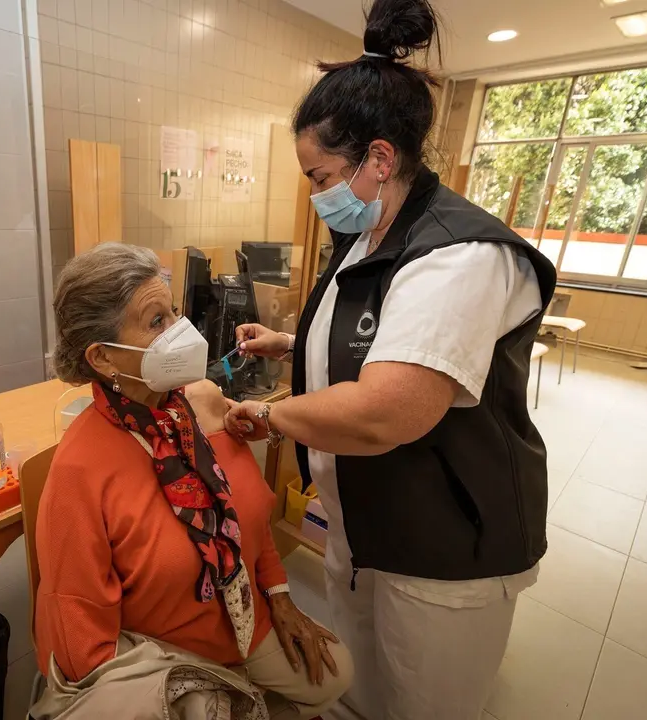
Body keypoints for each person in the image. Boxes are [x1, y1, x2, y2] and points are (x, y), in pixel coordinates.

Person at [224, 1, 558, 718]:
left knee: (425, 700)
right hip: (365, 522)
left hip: (442, 542)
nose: (316, 196)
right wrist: (290, 344)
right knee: (365, 683)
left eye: (319, 177)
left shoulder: (461, 257)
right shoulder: (372, 231)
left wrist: (271, 413)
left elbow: (385, 411)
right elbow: (373, 334)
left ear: (378, 158)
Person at [34, 243, 352, 718]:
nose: (181, 331)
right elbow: (82, 638)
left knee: (335, 674)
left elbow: (247, 512)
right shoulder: (79, 471)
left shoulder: (197, 403)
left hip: (237, 614)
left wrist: (279, 594)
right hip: (161, 650)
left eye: (174, 312)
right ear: (103, 358)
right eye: (156, 321)